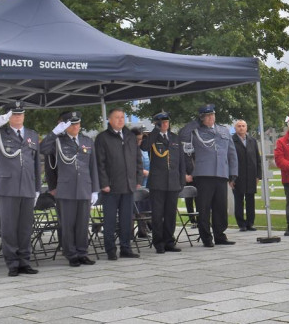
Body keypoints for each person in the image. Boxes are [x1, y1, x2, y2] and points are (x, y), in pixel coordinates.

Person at [0, 101, 41, 277]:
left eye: (20, 113)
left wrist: (37, 188)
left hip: (27, 186)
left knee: (26, 227)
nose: (18, 116)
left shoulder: (32, 135)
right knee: (9, 228)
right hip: (7, 187)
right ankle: (12, 263)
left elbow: (35, 163)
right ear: (8, 117)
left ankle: (25, 261)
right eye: (14, 114)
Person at [41, 111, 99, 266]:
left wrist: (95, 189)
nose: (76, 126)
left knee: (82, 223)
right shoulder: (57, 141)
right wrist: (54, 132)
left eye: (78, 123)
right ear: (64, 125)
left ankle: (82, 252)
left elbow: (93, 166)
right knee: (67, 224)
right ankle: (71, 254)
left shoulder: (87, 140)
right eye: (72, 124)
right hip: (65, 189)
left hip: (84, 187)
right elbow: (43, 149)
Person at [180, 104, 238, 248]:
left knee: (220, 207)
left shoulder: (223, 130)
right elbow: (182, 134)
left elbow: (231, 153)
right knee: (204, 208)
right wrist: (195, 123)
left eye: (212, 115)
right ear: (201, 118)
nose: (210, 118)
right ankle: (206, 237)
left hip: (221, 173)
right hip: (203, 174)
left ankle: (220, 235)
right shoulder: (195, 131)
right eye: (206, 116)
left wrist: (233, 173)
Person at [95, 107, 143, 260]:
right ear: (109, 119)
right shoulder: (103, 138)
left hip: (128, 185)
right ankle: (110, 249)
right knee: (109, 220)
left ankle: (125, 248)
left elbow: (138, 159)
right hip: (111, 186)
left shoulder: (129, 136)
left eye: (122, 117)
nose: (121, 120)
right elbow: (99, 163)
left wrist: (138, 179)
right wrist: (104, 183)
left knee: (126, 219)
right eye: (117, 117)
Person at [140, 111, 185, 253]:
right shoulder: (151, 138)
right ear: (156, 123)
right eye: (161, 122)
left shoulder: (175, 138)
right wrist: (156, 130)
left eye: (166, 122)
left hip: (173, 182)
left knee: (171, 214)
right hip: (157, 183)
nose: (165, 124)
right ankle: (158, 242)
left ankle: (169, 241)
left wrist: (181, 180)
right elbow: (144, 147)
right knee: (158, 214)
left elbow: (181, 161)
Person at [232, 119, 263, 232]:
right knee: (239, 200)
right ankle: (241, 224)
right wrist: (231, 177)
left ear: (246, 128)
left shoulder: (252, 141)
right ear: (235, 128)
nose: (241, 128)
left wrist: (258, 175)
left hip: (251, 175)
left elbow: (257, 159)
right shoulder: (232, 141)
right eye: (239, 126)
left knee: (250, 200)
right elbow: (228, 159)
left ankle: (250, 223)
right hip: (237, 176)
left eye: (243, 126)